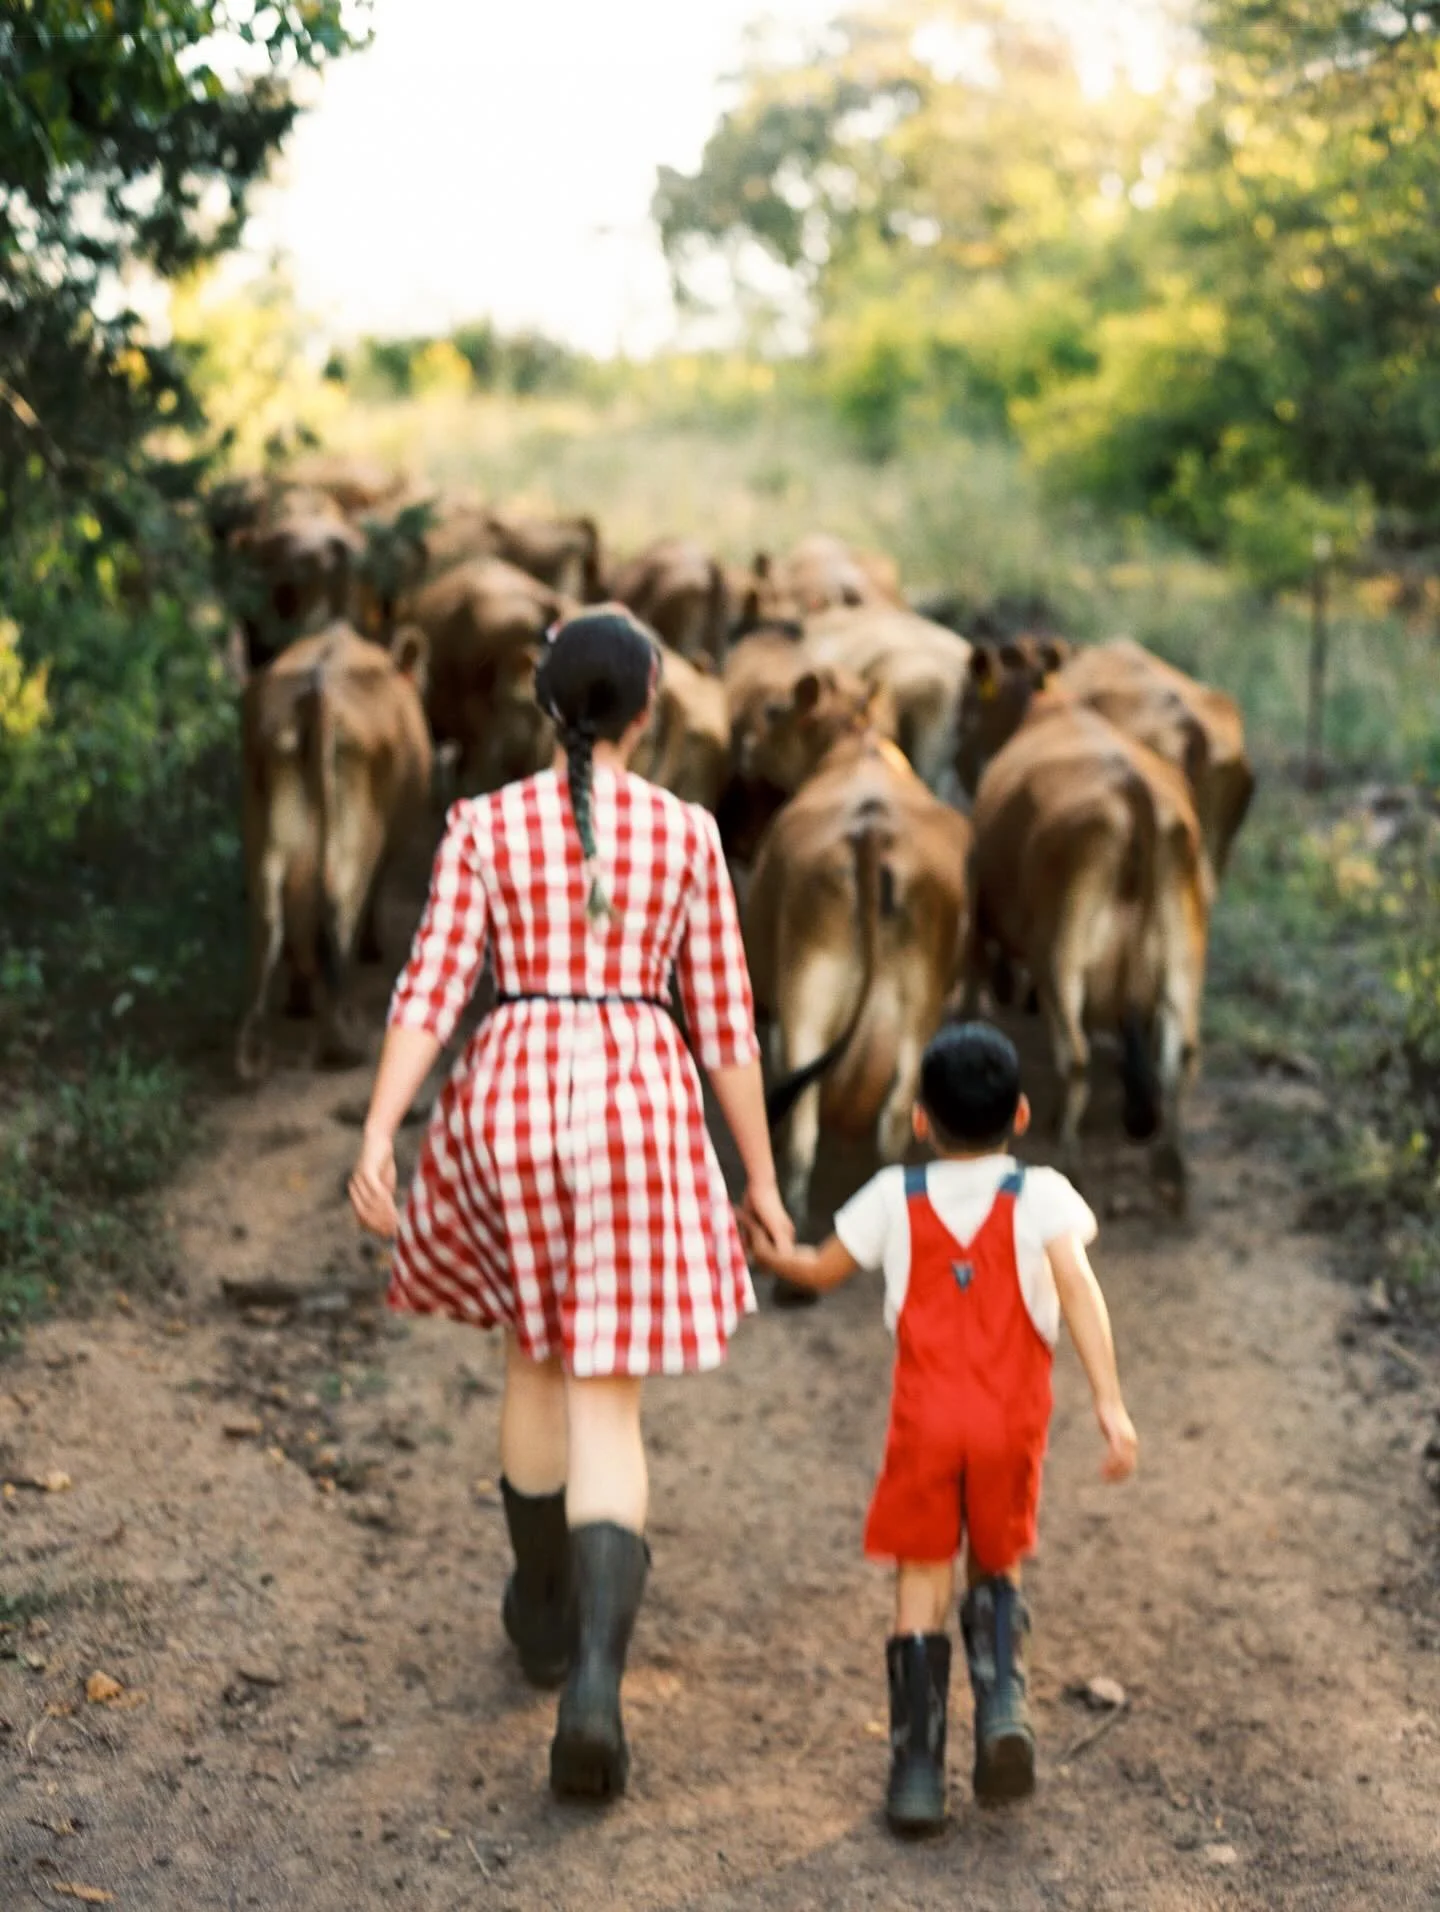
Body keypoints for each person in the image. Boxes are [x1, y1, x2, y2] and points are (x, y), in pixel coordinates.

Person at [348, 605, 793, 1803]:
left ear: (547, 706)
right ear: (648, 712)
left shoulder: (484, 823)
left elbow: (431, 988)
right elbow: (727, 1026)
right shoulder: (688, 834)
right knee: (609, 1402)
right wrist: (759, 1177)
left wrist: (382, 1129)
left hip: (511, 1102)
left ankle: (541, 1610)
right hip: (641, 1104)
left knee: (531, 1363)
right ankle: (593, 1684)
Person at [745, 1021, 1138, 1835]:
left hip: (924, 1428)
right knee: (997, 1564)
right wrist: (1109, 1401)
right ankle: (1002, 1711)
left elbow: (819, 1270)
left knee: (921, 1581)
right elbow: (1077, 1285)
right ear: (1021, 1115)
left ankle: (918, 1775)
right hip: (1010, 1426)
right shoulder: (1043, 1196)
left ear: (920, 1119)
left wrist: (768, 1249)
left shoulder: (896, 1195)